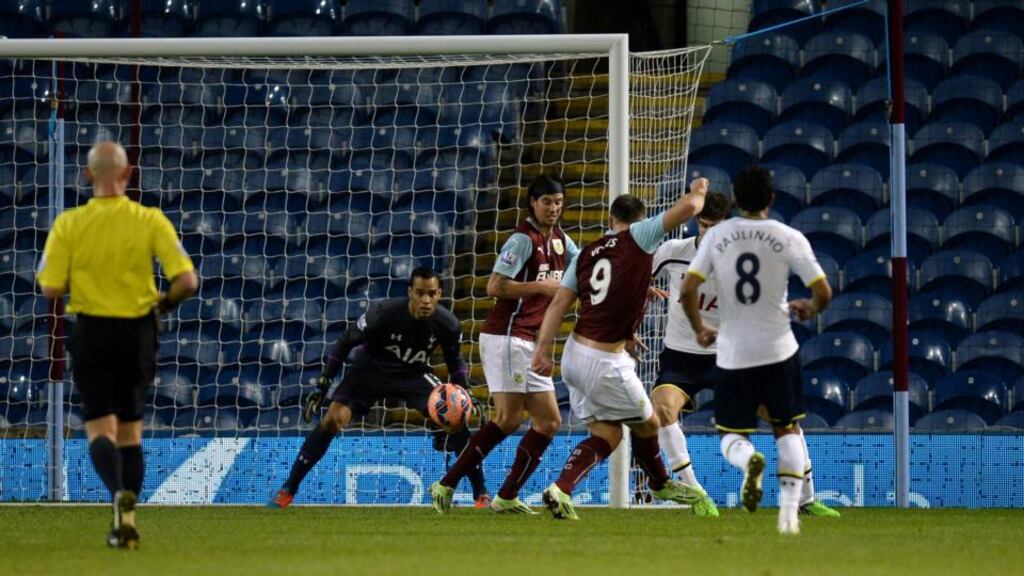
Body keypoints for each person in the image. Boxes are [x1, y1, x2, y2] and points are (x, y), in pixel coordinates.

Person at [36, 141, 198, 549]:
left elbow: (51, 285)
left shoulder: (69, 225)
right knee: (130, 433)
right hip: (138, 332)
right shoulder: (150, 220)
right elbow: (188, 281)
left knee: (99, 429)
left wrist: (85, 277)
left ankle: (116, 494)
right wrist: (163, 305)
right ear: (127, 175)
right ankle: (126, 519)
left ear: (88, 175)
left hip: (92, 331)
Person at [530, 178, 709, 520]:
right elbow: (688, 208)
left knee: (608, 432)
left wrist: (542, 351)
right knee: (649, 423)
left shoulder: (584, 253)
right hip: (605, 363)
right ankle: (659, 484)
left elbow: (558, 306)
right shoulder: (640, 236)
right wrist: (699, 189)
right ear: (639, 222)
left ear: (610, 220)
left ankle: (560, 488)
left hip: (573, 356)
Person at [681, 165, 833, 535]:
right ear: (771, 198)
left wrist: (701, 328)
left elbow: (687, 290)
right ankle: (789, 517)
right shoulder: (788, 236)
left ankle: (750, 460)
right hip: (780, 349)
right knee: (787, 429)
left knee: (732, 436)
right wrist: (809, 308)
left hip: (734, 353)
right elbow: (823, 291)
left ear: (735, 199)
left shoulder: (718, 236)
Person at [268, 267, 489, 508]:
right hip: (370, 370)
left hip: (413, 373)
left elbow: (454, 361)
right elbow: (345, 341)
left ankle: (481, 494)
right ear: (410, 293)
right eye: (420, 293)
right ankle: (288, 489)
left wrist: (464, 392)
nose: (425, 300)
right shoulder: (383, 313)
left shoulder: (448, 324)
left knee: (456, 418)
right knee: (333, 418)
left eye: (431, 294)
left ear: (439, 295)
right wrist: (323, 384)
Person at [430, 175, 578, 514]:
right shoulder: (521, 240)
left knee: (548, 422)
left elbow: (584, 265)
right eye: (547, 203)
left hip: (529, 340)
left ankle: (504, 494)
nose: (554, 208)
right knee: (509, 418)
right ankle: (447, 485)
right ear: (532, 204)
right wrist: (539, 288)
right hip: (506, 336)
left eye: (558, 202)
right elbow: (495, 286)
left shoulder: (559, 239)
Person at [648, 190, 733, 517]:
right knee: (663, 410)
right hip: (680, 358)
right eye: (704, 225)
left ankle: (806, 497)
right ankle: (695, 492)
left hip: (727, 357)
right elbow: (635, 280)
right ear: (697, 221)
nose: (708, 233)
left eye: (717, 227)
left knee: (780, 412)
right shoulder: (673, 252)